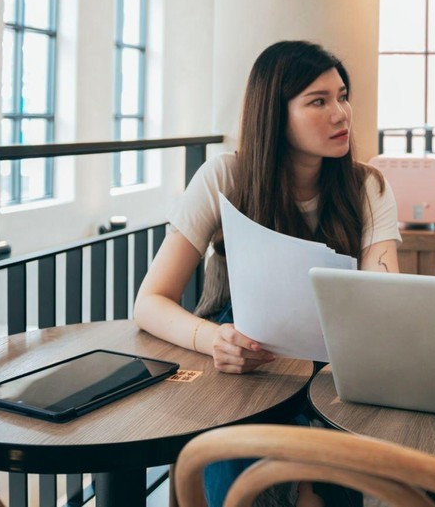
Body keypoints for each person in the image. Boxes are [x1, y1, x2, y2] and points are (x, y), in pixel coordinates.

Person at [135, 40, 400, 507]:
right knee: (235, 456)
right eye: (318, 101)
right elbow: (150, 301)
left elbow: (385, 303)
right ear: (275, 114)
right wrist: (214, 340)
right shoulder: (224, 177)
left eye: (342, 97)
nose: (341, 114)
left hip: (333, 368)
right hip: (241, 364)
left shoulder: (367, 186)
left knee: (324, 482)